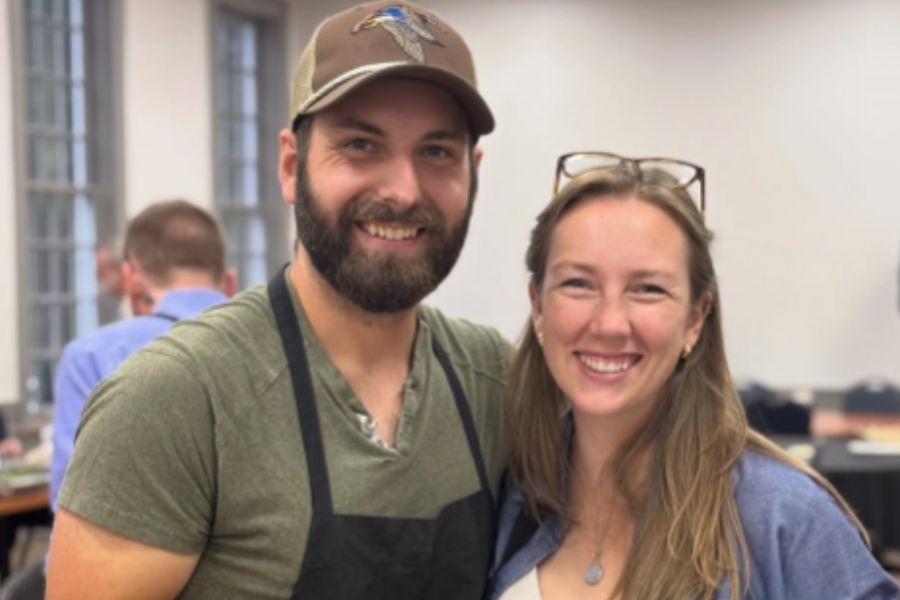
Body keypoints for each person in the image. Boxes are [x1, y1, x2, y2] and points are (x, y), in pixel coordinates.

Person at [47, 2, 510, 599]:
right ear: (292, 166)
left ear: (473, 174)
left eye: (436, 152)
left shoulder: (495, 379)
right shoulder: (174, 402)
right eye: (362, 145)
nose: (402, 189)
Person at [489, 154, 900, 600]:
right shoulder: (509, 500)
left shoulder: (784, 520)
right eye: (578, 283)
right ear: (538, 306)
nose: (609, 323)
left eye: (648, 289)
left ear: (695, 319)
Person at [51, 199, 234, 511]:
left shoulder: (91, 357)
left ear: (131, 281)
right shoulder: (281, 349)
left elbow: (72, 504)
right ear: (230, 282)